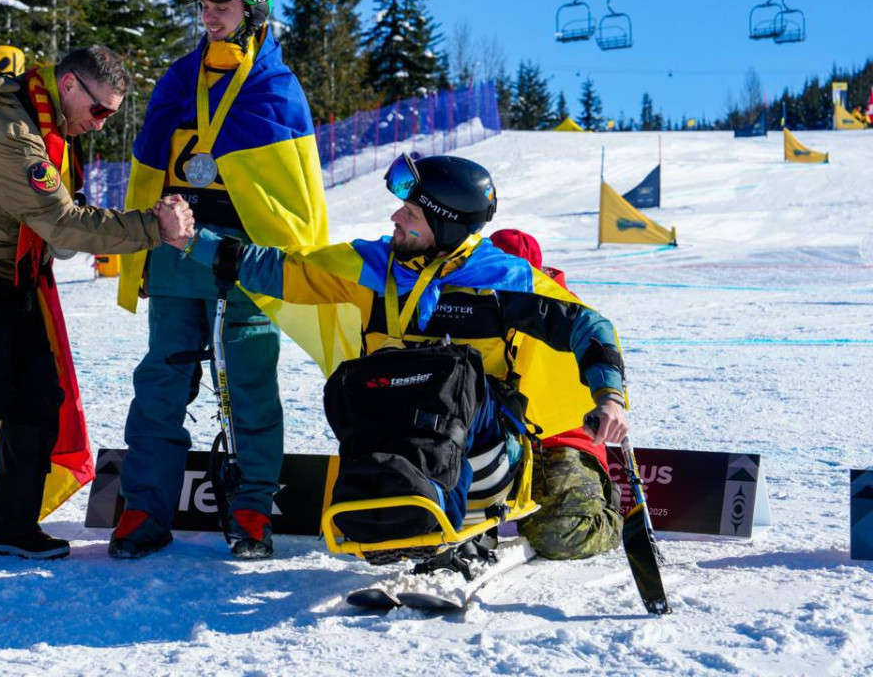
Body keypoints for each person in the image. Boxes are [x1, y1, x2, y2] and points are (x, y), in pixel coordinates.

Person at [166, 153, 629, 554]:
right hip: (399, 442)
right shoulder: (370, 266)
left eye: (410, 212)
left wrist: (609, 396)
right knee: (361, 386)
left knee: (457, 387)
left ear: (446, 222)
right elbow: (276, 269)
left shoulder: (503, 281)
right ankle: (396, 506)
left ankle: (462, 515)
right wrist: (190, 241)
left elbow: (590, 327)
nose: (395, 219)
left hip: (484, 451)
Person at [0, 46, 194, 573]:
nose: (99, 124)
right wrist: (154, 226)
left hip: (10, 276)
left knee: (38, 398)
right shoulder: (11, 130)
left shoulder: (45, 124)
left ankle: (12, 528)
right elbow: (64, 224)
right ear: (72, 85)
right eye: (98, 110)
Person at [111, 0, 339, 560]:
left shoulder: (276, 89)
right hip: (175, 255)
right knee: (162, 380)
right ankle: (143, 509)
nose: (208, 15)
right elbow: (149, 167)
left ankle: (251, 509)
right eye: (204, 5)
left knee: (249, 385)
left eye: (222, 4)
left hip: (248, 260)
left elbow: (293, 194)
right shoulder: (178, 77)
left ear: (253, 9)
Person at [488, 229, 623, 560]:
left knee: (559, 535)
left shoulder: (562, 310)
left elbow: (598, 345)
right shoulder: (469, 302)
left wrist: (610, 399)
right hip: (488, 437)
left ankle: (608, 514)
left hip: (556, 439)